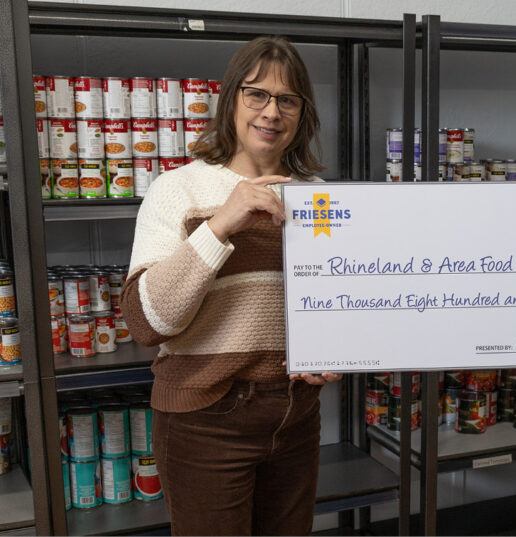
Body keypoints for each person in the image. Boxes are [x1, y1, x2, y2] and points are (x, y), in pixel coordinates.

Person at [120, 36, 341, 536]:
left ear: (302, 113)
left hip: (294, 415)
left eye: (288, 100)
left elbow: (333, 306)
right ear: (231, 101)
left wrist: (335, 352)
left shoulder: (320, 199)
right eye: (256, 94)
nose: (271, 111)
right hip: (205, 418)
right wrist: (221, 225)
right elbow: (145, 322)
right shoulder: (177, 190)